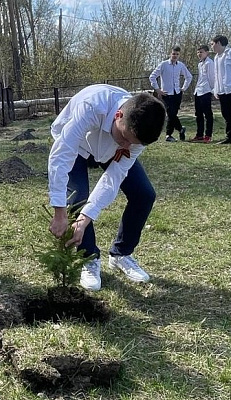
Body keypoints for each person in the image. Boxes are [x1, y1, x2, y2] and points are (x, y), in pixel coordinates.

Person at [48, 84, 166, 291]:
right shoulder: (91, 106)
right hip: (78, 145)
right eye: (124, 138)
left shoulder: (136, 134)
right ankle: (89, 258)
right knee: (78, 198)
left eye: (133, 144)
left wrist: (84, 221)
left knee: (144, 194)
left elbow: (112, 178)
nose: (126, 147)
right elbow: (61, 157)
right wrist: (59, 211)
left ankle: (122, 254)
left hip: (107, 145)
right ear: (118, 115)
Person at [149, 45, 192, 142]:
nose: (175, 56)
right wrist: (158, 89)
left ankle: (169, 135)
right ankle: (179, 129)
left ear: (179, 55)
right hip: (166, 94)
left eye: (177, 54)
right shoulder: (163, 64)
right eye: (173, 54)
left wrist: (183, 88)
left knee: (173, 115)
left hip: (177, 93)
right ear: (170, 54)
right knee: (170, 114)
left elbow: (189, 77)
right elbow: (152, 76)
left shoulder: (180, 65)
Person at [210, 34, 231, 145]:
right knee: (227, 115)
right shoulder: (216, 57)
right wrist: (216, 89)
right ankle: (230, 137)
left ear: (218, 43)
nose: (212, 47)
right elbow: (217, 75)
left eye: (212, 44)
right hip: (222, 90)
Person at [190, 44, 214, 143]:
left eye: (202, 52)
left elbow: (211, 78)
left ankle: (208, 135)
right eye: (198, 52)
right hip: (198, 91)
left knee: (207, 114)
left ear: (207, 53)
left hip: (206, 91)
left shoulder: (209, 63)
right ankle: (199, 134)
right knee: (198, 114)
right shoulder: (200, 64)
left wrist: (213, 90)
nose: (199, 54)